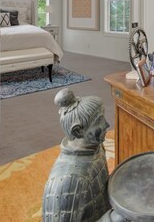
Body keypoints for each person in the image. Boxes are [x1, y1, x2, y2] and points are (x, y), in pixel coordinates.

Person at [42, 88, 110, 221]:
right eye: (99, 122)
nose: (107, 125)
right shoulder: (69, 181)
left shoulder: (95, 147)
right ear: (78, 131)